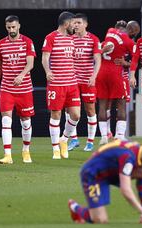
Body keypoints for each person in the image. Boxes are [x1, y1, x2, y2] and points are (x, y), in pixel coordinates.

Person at [68, 139, 142, 224]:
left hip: (111, 172)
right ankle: (75, 207)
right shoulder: (128, 156)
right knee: (100, 219)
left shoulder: (139, 150)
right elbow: (125, 189)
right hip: (92, 175)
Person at [0, 15, 36, 164]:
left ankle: (26, 150)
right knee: (6, 120)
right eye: (8, 27)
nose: (11, 30)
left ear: (19, 26)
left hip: (24, 89)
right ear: (6, 27)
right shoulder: (0, 44)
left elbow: (30, 64)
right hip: (7, 88)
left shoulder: (27, 42)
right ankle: (7, 155)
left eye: (13, 27)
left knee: (25, 122)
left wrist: (21, 75)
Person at [42, 11, 80, 159]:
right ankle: (55, 149)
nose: (75, 26)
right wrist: (48, 71)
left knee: (76, 115)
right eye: (73, 23)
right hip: (56, 84)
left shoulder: (72, 39)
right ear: (66, 24)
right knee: (56, 114)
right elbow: (45, 57)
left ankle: (63, 139)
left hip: (72, 83)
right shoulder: (51, 37)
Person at [97, 21, 140, 145]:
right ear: (133, 31)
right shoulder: (129, 41)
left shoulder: (110, 31)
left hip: (102, 72)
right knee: (121, 104)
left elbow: (104, 46)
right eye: (135, 33)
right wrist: (126, 63)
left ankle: (104, 137)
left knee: (103, 106)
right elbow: (136, 59)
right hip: (115, 74)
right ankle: (119, 136)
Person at [67, 13, 101, 152]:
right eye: (74, 23)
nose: (75, 25)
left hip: (88, 80)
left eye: (78, 23)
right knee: (70, 109)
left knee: (90, 110)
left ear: (85, 24)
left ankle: (90, 141)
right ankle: (74, 139)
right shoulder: (69, 39)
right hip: (72, 80)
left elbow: (98, 59)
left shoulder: (93, 39)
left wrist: (94, 75)